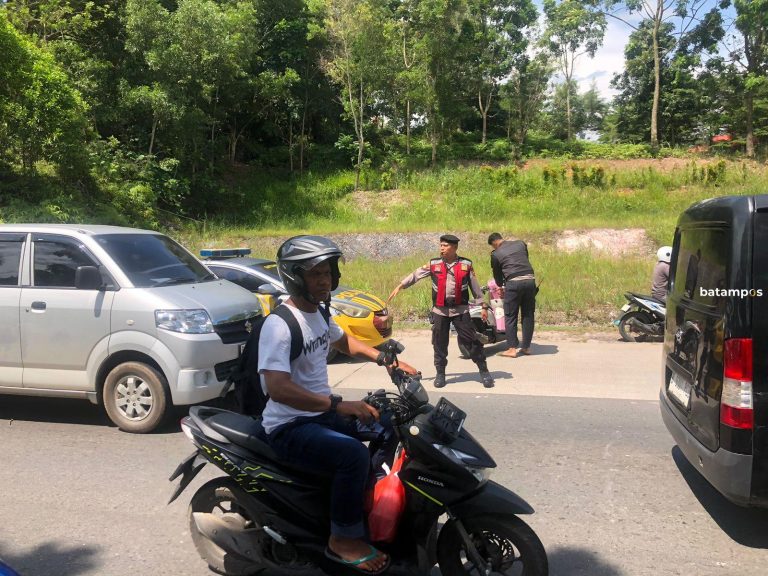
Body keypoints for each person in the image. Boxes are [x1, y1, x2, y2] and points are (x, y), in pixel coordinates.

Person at [259, 235, 417, 576]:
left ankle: (362, 502)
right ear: (295, 277)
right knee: (352, 455)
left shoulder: (319, 311)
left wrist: (384, 359)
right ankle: (342, 538)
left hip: (320, 414)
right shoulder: (279, 325)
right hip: (290, 426)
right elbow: (277, 388)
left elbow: (343, 341)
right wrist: (337, 405)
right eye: (316, 274)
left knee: (388, 423)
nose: (325, 280)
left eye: (328, 272)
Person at [388, 234, 494, 389]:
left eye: (445, 245)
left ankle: (484, 371)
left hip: (461, 310)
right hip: (440, 312)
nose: (442, 248)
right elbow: (416, 275)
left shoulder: (466, 264)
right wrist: (400, 285)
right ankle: (440, 373)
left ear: (455, 247)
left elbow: (475, 287)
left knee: (471, 341)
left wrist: (483, 305)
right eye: (441, 245)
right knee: (439, 343)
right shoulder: (434, 264)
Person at [487, 232, 536, 358]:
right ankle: (526, 347)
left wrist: (502, 286)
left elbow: (498, 277)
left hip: (514, 284)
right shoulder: (520, 243)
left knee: (510, 315)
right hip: (530, 280)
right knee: (528, 314)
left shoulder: (496, 254)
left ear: (494, 244)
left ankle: (512, 349)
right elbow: (525, 258)